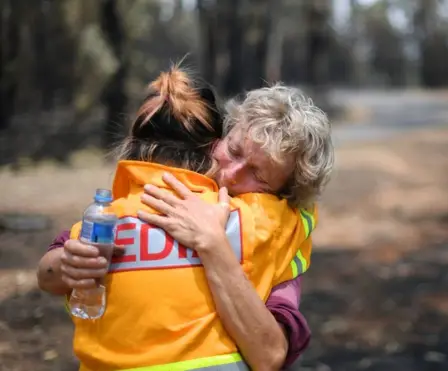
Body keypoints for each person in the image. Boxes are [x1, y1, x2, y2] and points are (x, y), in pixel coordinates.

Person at [37, 66, 334, 370]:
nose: (230, 174)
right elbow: (50, 270)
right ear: (218, 135)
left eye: (258, 175)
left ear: (281, 195)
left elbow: (271, 355)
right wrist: (66, 262)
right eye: (233, 149)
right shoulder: (153, 195)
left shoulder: (273, 230)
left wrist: (214, 247)